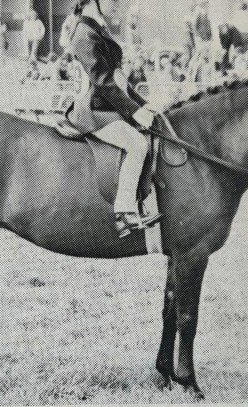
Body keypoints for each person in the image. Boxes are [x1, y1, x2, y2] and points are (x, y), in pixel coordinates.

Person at [67, 0, 161, 237]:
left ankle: (142, 202)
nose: (120, 4)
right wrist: (134, 111)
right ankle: (124, 213)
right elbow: (103, 82)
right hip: (94, 111)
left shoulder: (98, 28)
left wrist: (143, 104)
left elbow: (118, 80)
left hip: (108, 105)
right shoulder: (84, 32)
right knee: (137, 145)